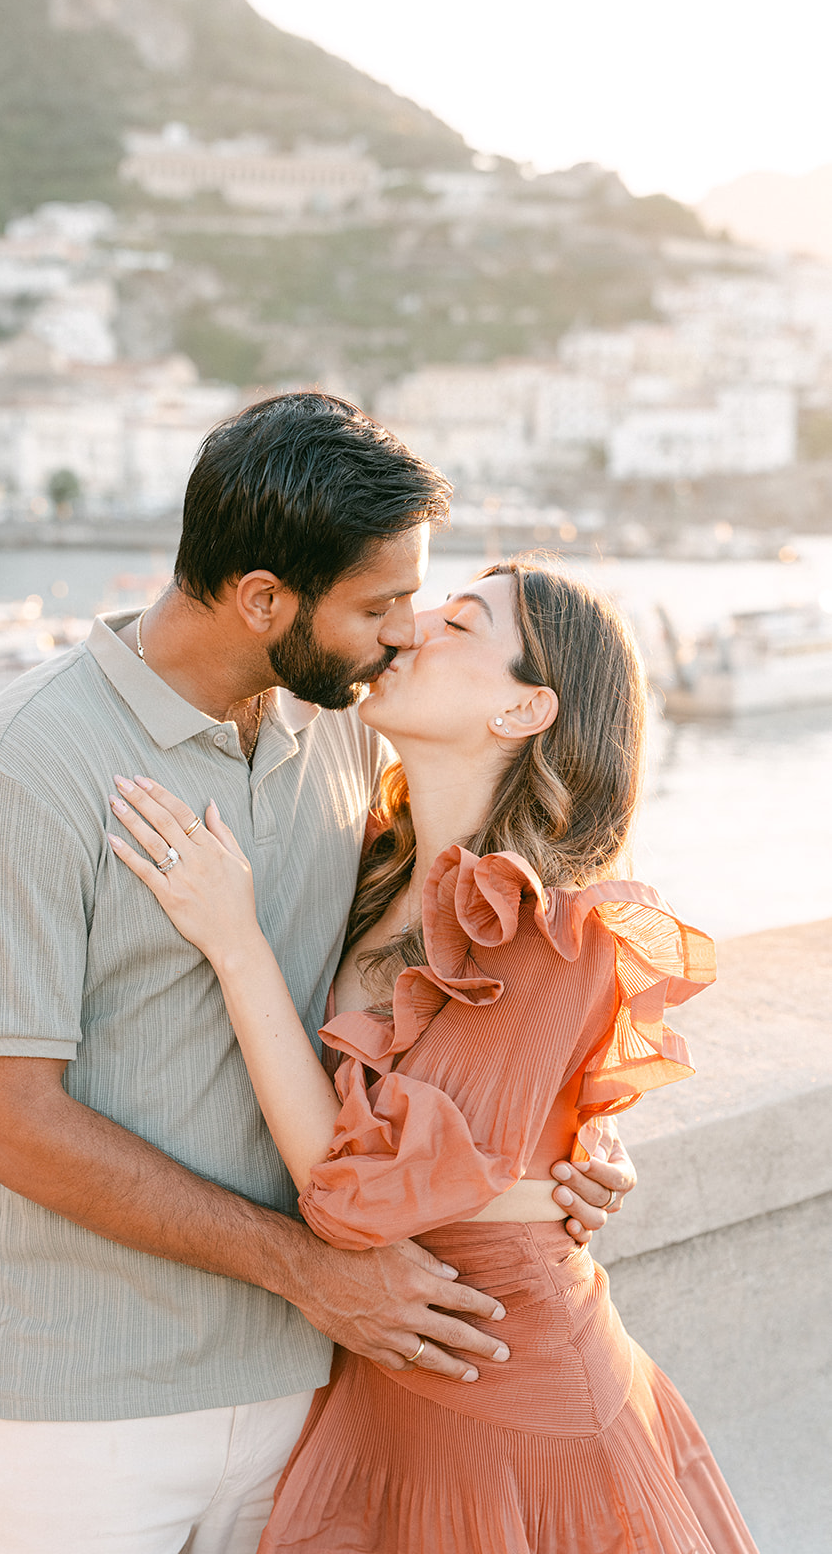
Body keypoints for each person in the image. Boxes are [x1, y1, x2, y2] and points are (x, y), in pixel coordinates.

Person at [0, 393, 634, 1554]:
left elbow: (456, 984)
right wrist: (305, 1268)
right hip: (98, 1405)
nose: (405, 632)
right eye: (379, 606)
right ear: (264, 599)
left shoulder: (346, 730)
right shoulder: (25, 763)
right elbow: (4, 1122)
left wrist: (568, 1139)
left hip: (321, 1385)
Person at [105, 557, 759, 1554]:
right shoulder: (373, 862)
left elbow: (350, 1196)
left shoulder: (557, 926)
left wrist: (232, 942)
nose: (410, 631)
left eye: (459, 625)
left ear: (523, 709)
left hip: (508, 1393)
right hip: (382, 1377)